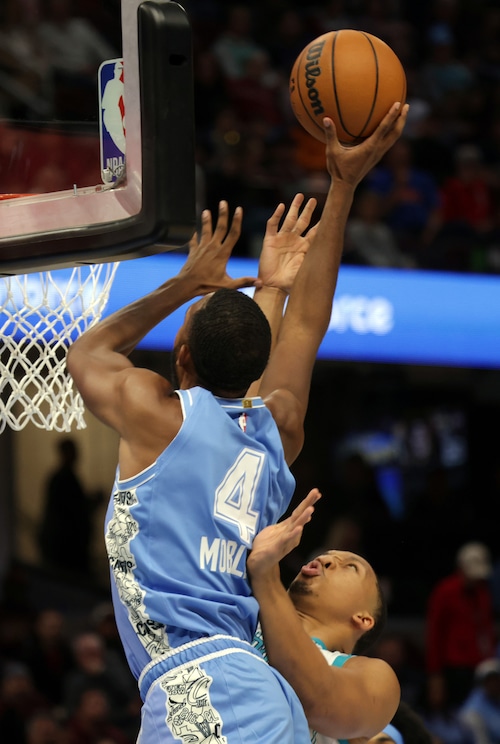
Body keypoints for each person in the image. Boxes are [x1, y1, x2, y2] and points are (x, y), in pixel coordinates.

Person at [66, 103, 408, 743]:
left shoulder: (158, 417)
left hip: (207, 691)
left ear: (180, 357)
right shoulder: (273, 430)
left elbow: (88, 355)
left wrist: (188, 284)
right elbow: (305, 330)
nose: (329, 560)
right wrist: (340, 193)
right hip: (242, 689)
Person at [247, 489, 401, 744]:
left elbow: (319, 701)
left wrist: (266, 576)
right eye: (326, 556)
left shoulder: (377, 678)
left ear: (364, 618)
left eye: (350, 567)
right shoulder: (245, 610)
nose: (326, 559)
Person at [425, 541, 497, 712]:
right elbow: (435, 633)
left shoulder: (482, 592)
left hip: (479, 668)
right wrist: (435, 674)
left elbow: (486, 629)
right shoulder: (445, 591)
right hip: (454, 669)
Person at [38, 438, 103, 577]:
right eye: (72, 452)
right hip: (67, 550)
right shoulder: (64, 479)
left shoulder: (62, 478)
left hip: (62, 549)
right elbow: (74, 511)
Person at [458, 658, 500, 744]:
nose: (494, 684)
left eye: (496, 679)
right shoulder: (472, 712)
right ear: (481, 682)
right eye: (489, 680)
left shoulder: (496, 698)